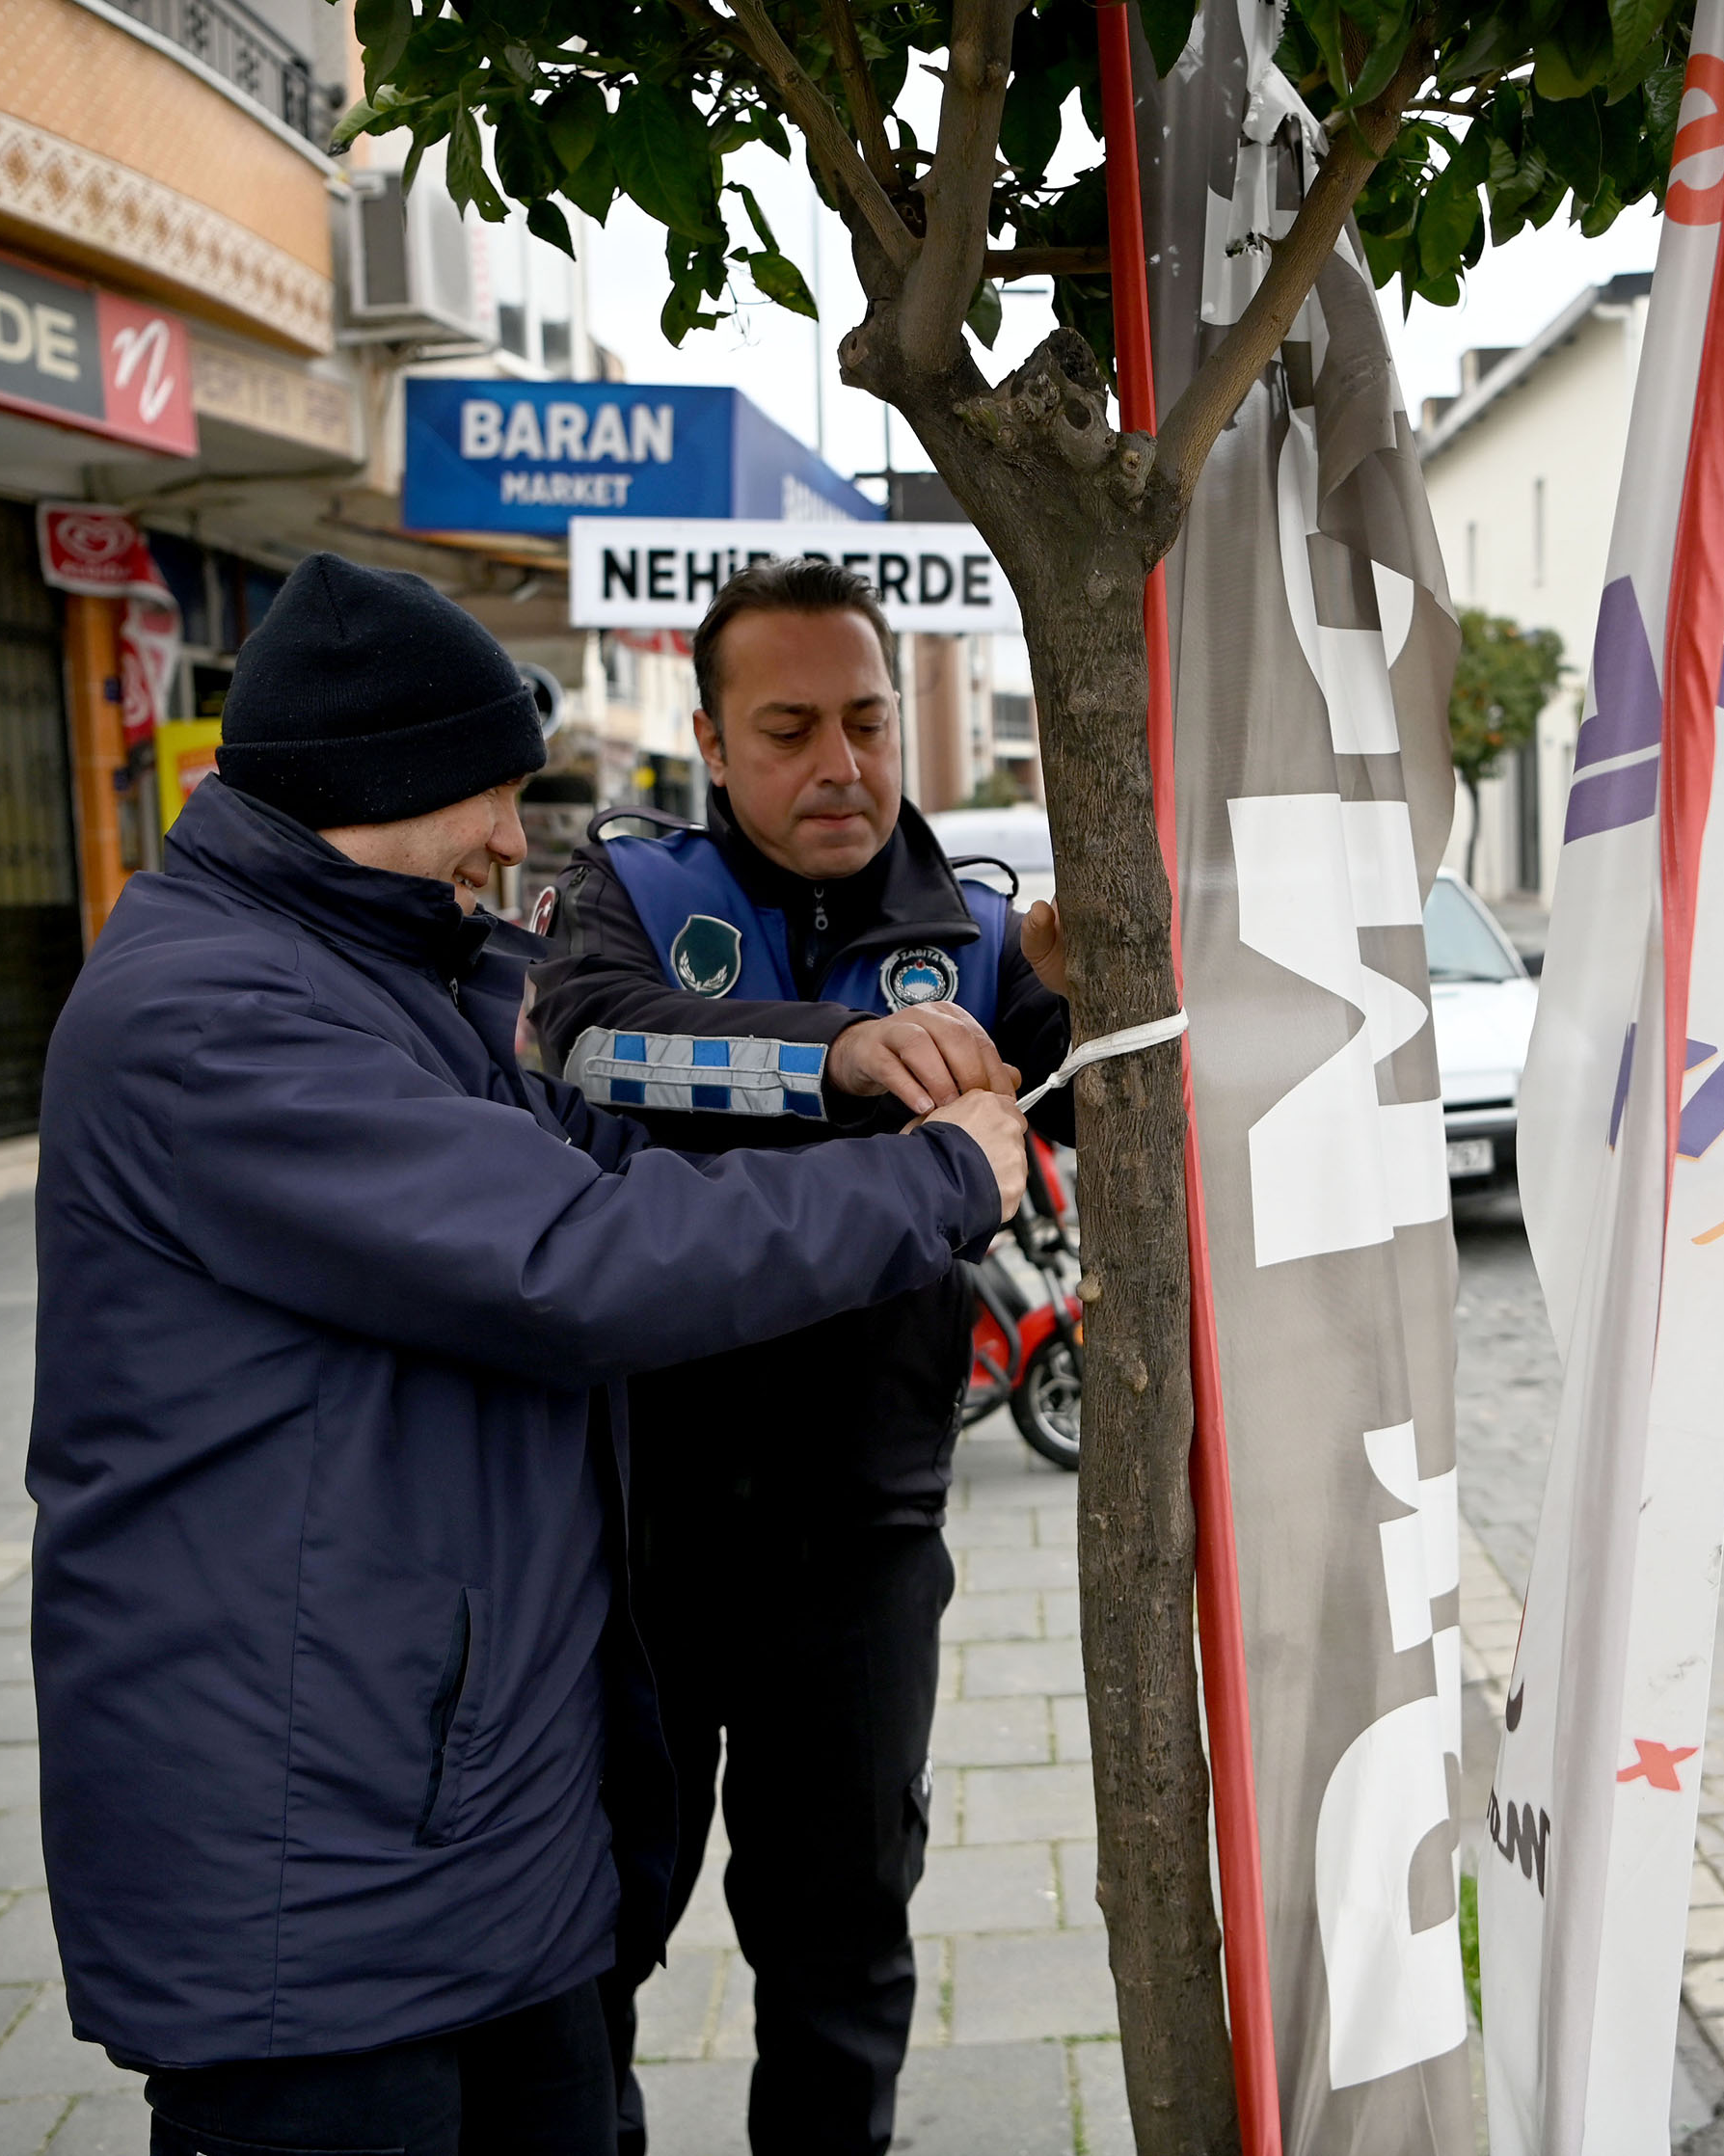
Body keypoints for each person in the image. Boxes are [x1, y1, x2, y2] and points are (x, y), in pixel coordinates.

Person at [26, 553, 1028, 2156]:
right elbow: (572, 1257)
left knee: (826, 1962)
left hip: (475, 1809)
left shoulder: (414, 969)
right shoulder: (211, 1020)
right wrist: (935, 1175)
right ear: (365, 792)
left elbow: (611, 1118)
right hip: (315, 1867)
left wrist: (853, 1070)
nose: (514, 839)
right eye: (486, 798)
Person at [528, 557, 1073, 2156]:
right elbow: (593, 1042)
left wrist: (1101, 976)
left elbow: (1104, 1096)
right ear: (708, 735)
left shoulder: (979, 932)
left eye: (865, 719)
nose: (838, 763)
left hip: (866, 1538)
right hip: (636, 1542)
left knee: (841, 1955)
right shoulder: (633, 893)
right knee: (591, 1943)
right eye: (789, 729)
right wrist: (834, 1054)